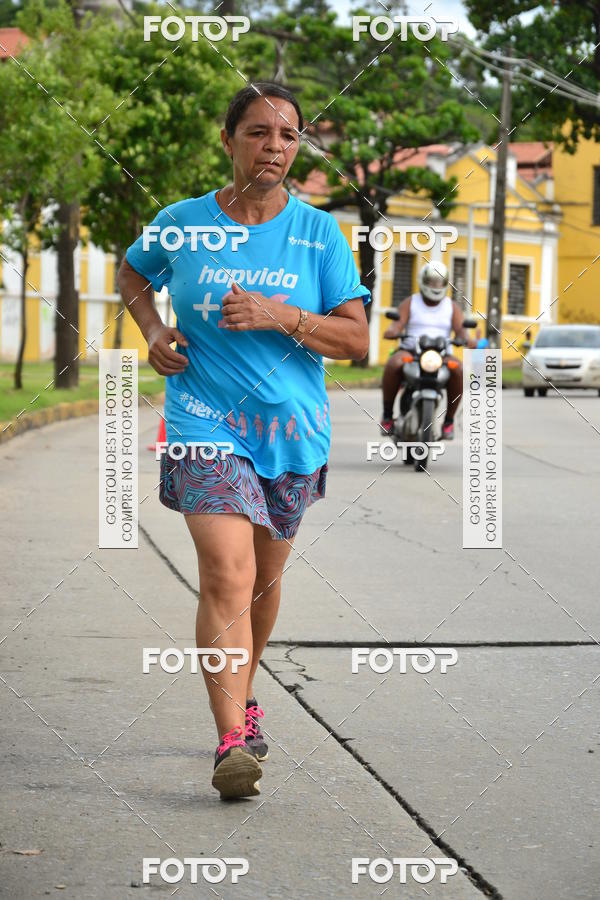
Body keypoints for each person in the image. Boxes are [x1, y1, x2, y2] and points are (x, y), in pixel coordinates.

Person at [117, 82, 371, 800]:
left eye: (288, 135)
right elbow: (133, 271)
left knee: (261, 582)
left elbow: (356, 340)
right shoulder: (182, 223)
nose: (274, 147)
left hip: (291, 432)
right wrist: (154, 330)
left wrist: (278, 314)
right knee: (226, 575)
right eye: (258, 132)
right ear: (228, 140)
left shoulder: (319, 235)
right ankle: (232, 739)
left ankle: (245, 690)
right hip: (203, 422)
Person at [380, 261, 473, 440]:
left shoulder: (451, 306)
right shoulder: (411, 302)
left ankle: (448, 421)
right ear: (423, 281)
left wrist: (466, 339)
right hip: (412, 352)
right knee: (394, 363)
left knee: (458, 369)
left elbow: (461, 330)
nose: (435, 286)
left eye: (439, 282)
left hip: (441, 355)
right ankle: (387, 416)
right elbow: (397, 324)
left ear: (445, 283)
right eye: (431, 281)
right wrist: (393, 331)